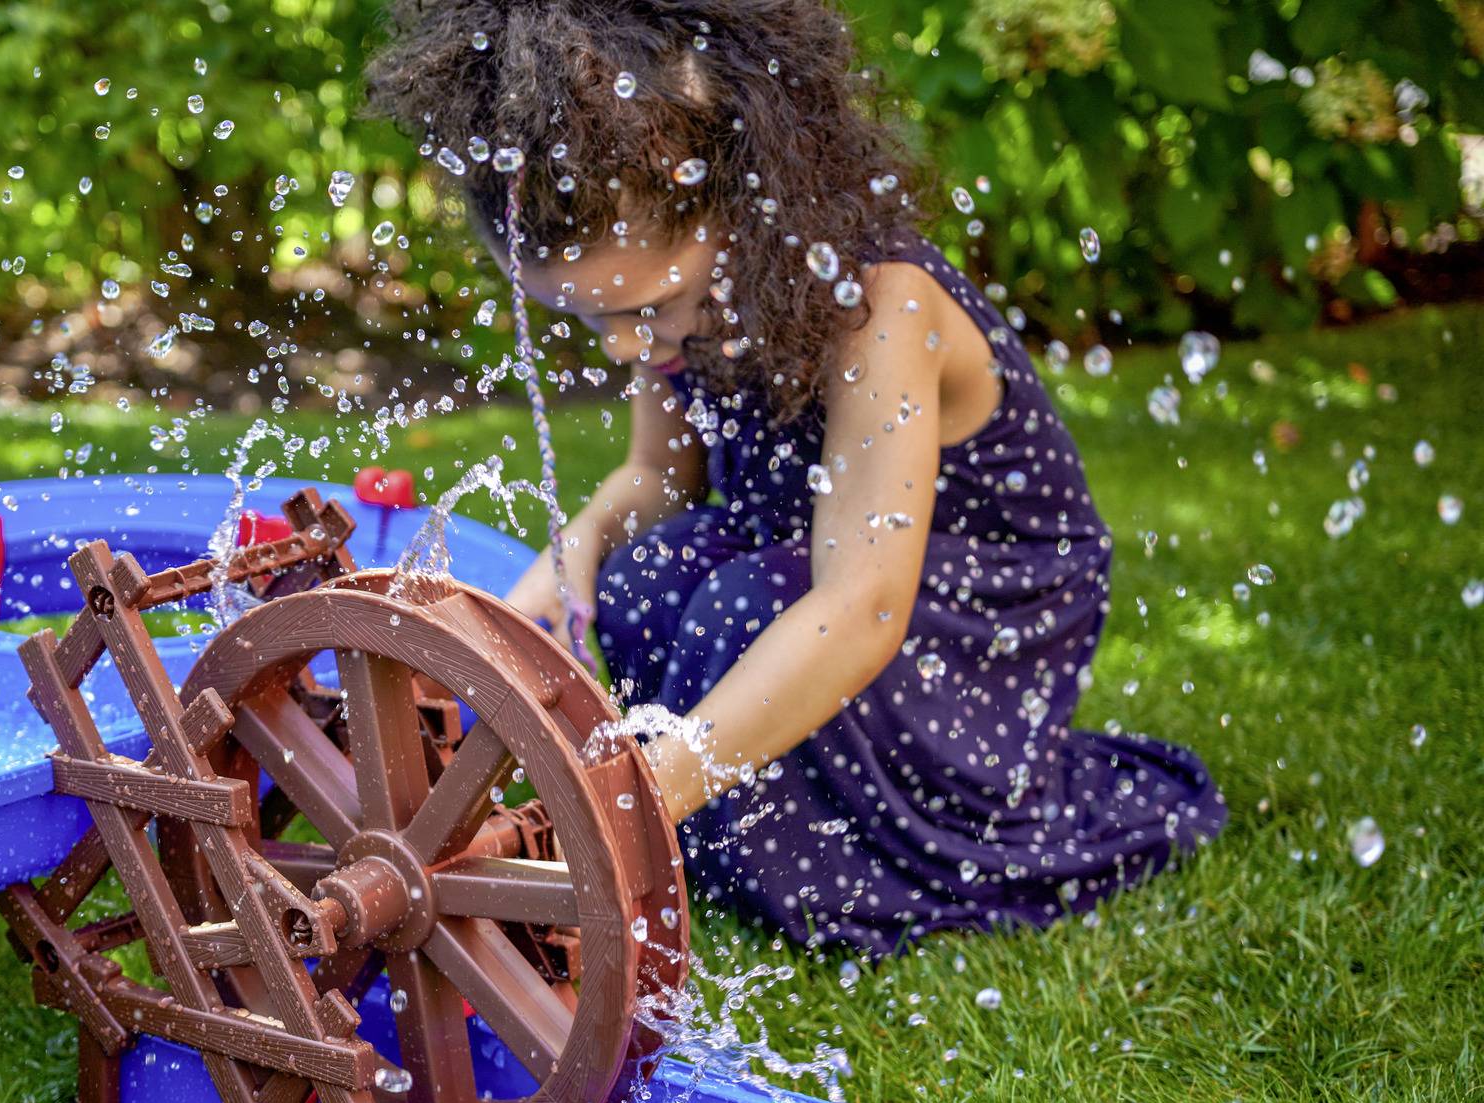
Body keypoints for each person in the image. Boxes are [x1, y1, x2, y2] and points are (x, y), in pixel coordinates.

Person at [366, 0, 1225, 955]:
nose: (624, 346)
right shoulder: (675, 300)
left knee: (738, 604)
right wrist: (522, 616)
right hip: (807, 568)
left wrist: (634, 797)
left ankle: (820, 865)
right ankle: (723, 840)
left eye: (649, 308)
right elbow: (655, 481)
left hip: (975, 616)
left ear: (741, 201)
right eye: (588, 321)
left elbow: (861, 603)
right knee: (650, 573)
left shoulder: (882, 308)